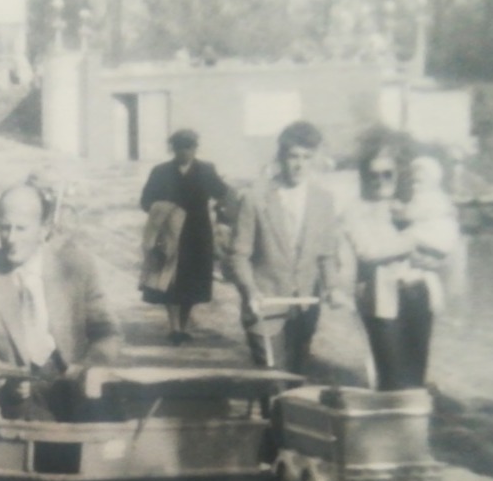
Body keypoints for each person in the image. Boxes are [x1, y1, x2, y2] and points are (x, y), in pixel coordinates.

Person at [0, 182, 121, 419]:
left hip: (74, 390)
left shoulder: (76, 266)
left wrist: (90, 368)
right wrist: (8, 378)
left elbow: (107, 332)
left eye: (21, 229)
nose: (10, 238)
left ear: (43, 229)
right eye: (4, 228)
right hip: (16, 399)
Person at [228, 120, 345, 374]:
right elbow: (239, 255)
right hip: (264, 305)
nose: (299, 164)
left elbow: (326, 254)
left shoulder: (323, 200)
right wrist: (250, 291)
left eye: (306, 157)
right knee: (273, 377)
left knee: (296, 376)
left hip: (304, 306)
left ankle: (281, 412)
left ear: (315, 159)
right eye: (293, 156)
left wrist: (333, 287)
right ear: (281, 156)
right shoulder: (255, 198)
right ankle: (273, 409)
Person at [345, 141, 460, 390]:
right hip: (381, 300)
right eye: (373, 175)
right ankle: (389, 422)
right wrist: (411, 242)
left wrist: (436, 259)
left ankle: (411, 423)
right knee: (391, 375)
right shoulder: (357, 210)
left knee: (416, 373)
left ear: (397, 174)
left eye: (387, 174)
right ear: (365, 177)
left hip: (419, 294)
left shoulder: (411, 203)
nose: (380, 180)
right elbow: (368, 252)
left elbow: (444, 247)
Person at [137, 128, 232, 344]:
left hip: (197, 234)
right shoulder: (160, 172)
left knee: (192, 281)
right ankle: (174, 327)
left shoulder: (206, 170)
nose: (185, 152)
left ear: (195, 148)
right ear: (173, 148)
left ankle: (184, 325)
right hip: (169, 234)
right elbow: (145, 201)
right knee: (169, 279)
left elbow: (223, 194)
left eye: (189, 147)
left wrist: (223, 207)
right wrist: (165, 210)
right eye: (180, 147)